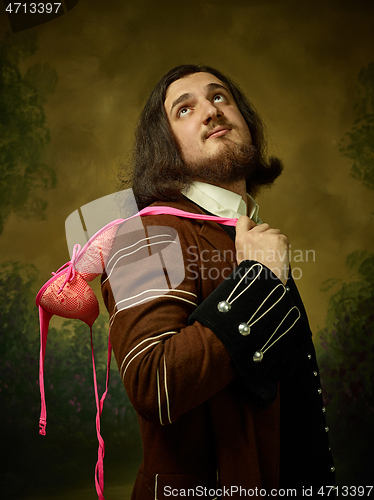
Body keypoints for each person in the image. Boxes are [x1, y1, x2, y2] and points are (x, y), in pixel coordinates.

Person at [101, 64, 335, 499]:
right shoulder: (147, 233)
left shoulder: (246, 231)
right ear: (163, 144)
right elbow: (155, 385)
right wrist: (257, 279)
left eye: (220, 97)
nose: (210, 110)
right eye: (184, 109)